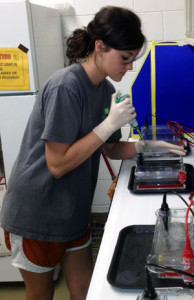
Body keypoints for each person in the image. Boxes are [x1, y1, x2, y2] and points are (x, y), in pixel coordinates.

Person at [0, 5, 185, 300]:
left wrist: (149, 146)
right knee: (41, 294)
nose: (129, 67)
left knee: (86, 290)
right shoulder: (66, 87)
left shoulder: (105, 90)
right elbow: (57, 164)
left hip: (72, 211)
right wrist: (109, 122)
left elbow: (111, 148)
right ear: (100, 47)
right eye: (124, 58)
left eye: (133, 59)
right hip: (36, 213)